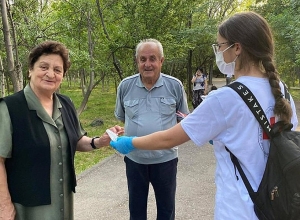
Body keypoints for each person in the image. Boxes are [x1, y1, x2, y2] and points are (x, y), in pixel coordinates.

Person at [110, 12, 298, 219]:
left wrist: (131, 142)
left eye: (220, 45)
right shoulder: (282, 91)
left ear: (237, 48)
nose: (218, 51)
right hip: (278, 203)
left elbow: (170, 138)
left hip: (239, 209)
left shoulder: (226, 97)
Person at [0, 40, 123, 220]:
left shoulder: (65, 104)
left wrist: (100, 141)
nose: (50, 74)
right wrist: (3, 205)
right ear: (30, 70)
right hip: (27, 207)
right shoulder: (9, 108)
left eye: (57, 70)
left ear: (63, 75)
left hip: (62, 202)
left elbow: (75, 139)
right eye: (44, 67)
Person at [114, 38, 189, 220]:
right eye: (143, 59)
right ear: (137, 61)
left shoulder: (175, 86)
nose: (147, 64)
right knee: (136, 211)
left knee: (166, 211)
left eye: (152, 59)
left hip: (166, 160)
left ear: (161, 61)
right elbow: (122, 117)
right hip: (135, 160)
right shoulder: (125, 86)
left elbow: (183, 120)